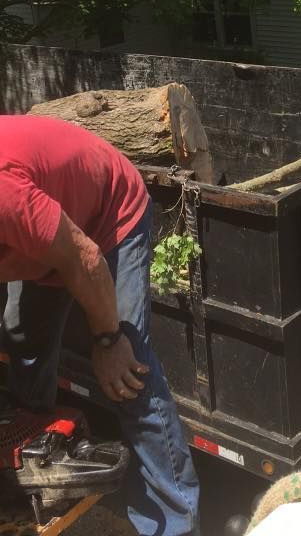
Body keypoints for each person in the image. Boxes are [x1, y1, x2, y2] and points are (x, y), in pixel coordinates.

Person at [0, 113, 199, 536]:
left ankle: (175, 524)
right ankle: (38, 459)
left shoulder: (4, 195)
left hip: (107, 217)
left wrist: (108, 339)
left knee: (128, 374)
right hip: (48, 237)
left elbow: (84, 259)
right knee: (22, 340)